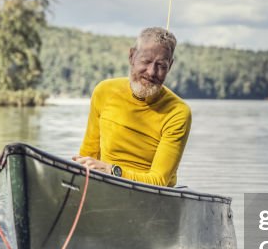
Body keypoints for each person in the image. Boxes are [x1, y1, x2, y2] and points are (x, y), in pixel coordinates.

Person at [73, 27, 190, 186]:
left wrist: (112, 170)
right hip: (104, 186)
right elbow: (87, 154)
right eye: (146, 61)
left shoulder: (178, 112)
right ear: (132, 56)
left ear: (170, 66)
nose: (151, 72)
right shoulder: (105, 91)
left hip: (151, 195)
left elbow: (158, 181)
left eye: (161, 65)